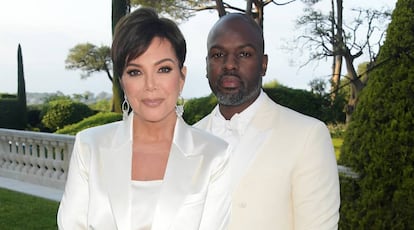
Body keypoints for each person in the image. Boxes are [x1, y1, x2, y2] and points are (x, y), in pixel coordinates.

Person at [57, 7, 231, 230]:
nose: (150, 85)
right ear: (122, 81)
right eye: (135, 72)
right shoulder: (89, 146)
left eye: (164, 69)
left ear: (181, 77)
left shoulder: (214, 155)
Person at [195, 13, 340, 229]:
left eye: (244, 54)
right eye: (218, 54)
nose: (229, 65)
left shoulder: (307, 136)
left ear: (263, 64)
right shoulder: (188, 138)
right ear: (207, 64)